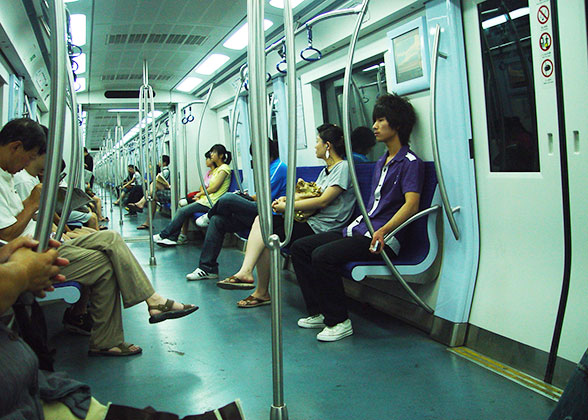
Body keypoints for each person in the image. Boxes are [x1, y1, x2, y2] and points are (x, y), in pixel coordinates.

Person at [0, 118, 198, 356]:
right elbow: (8, 233)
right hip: (30, 252)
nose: (28, 164)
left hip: (42, 240)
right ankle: (120, 328)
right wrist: (33, 202)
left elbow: (15, 218)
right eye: (30, 157)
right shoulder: (8, 176)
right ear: (15, 147)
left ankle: (151, 303)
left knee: (112, 238)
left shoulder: (8, 175)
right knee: (106, 264)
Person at [290, 93, 424, 342]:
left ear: (397, 125)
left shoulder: (410, 162)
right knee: (300, 248)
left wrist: (384, 231)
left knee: (322, 256)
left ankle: (339, 320)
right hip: (362, 230)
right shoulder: (381, 161)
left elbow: (412, 205)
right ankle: (319, 311)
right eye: (375, 120)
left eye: (381, 120)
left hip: (383, 236)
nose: (374, 126)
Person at [230, 125, 357, 307]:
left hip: (324, 227)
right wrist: (286, 199)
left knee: (268, 234)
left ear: (327, 146)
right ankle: (250, 277)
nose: (315, 146)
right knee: (264, 225)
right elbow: (310, 195)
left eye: (317, 142)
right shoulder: (325, 171)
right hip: (310, 221)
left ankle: (258, 288)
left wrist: (287, 208)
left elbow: (323, 201)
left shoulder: (342, 167)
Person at [186, 139, 287, 281]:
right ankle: (207, 268)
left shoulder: (278, 167)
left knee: (228, 198)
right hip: (260, 211)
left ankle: (208, 215)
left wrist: (240, 202)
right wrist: (247, 198)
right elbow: (261, 195)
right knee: (218, 220)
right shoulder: (269, 167)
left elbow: (266, 198)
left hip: (271, 214)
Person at [154, 144, 232, 247]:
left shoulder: (224, 168)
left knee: (182, 211)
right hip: (206, 199)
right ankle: (173, 238)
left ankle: (164, 235)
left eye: (214, 152)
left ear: (221, 155)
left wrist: (199, 194)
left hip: (212, 202)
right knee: (183, 207)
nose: (211, 154)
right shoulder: (217, 169)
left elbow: (214, 188)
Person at [130, 155, 172, 230]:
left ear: (164, 163)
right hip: (162, 190)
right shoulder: (162, 171)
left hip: (168, 191)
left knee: (153, 185)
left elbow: (158, 181)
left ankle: (141, 203)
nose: (159, 162)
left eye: (160, 161)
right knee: (152, 196)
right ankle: (147, 222)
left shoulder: (165, 171)